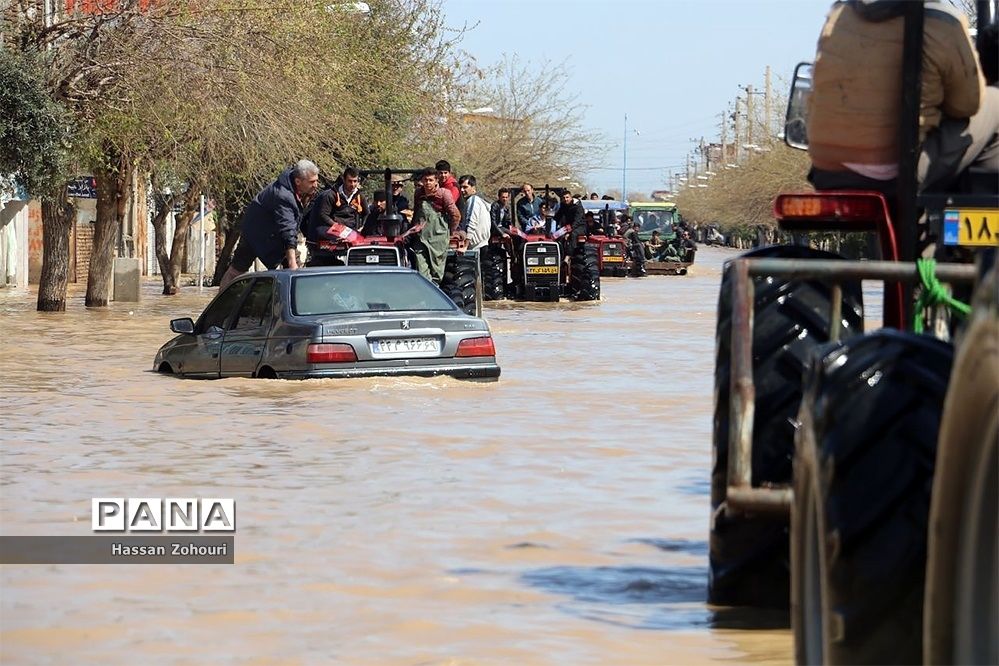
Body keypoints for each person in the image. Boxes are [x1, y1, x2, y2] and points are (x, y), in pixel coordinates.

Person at [807, 0, 999, 193]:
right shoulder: (943, 21)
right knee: (995, 99)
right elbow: (967, 104)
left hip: (827, 170)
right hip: (895, 175)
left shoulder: (841, 13)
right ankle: (983, 203)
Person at [220, 159, 318, 288]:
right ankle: (222, 302)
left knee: (295, 268)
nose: (316, 185)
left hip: (274, 234)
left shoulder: (298, 187)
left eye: (316, 180)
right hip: (255, 234)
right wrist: (292, 263)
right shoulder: (283, 195)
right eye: (312, 182)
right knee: (236, 271)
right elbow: (287, 229)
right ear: (298, 181)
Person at [409, 167, 461, 283]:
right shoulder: (419, 193)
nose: (428, 183)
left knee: (436, 271)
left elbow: (456, 215)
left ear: (436, 181)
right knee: (421, 270)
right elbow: (417, 212)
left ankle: (434, 294)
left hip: (438, 238)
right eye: (425, 180)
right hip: (421, 238)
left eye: (431, 180)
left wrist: (449, 232)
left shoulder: (444, 194)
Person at [458, 174, 491, 250]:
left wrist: (465, 245)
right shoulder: (479, 200)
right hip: (482, 244)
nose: (462, 190)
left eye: (465, 187)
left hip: (476, 247)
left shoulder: (473, 200)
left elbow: (472, 222)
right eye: (461, 187)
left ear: (473, 188)